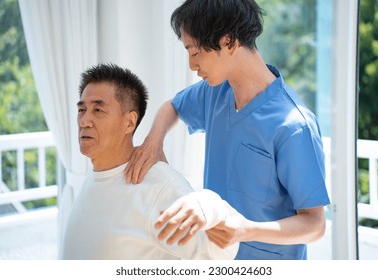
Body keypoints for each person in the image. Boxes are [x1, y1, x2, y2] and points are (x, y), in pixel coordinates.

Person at [125, 0, 331, 260]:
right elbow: (172, 107)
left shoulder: (294, 126)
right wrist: (154, 141)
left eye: (195, 52)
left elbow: (315, 225)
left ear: (229, 42)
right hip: (215, 259)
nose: (191, 65)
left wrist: (245, 230)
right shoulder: (216, 92)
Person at [60, 63, 238, 260]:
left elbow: (220, 254)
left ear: (129, 122)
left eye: (98, 110)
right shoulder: (96, 176)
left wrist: (209, 204)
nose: (84, 121)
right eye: (82, 110)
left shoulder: (160, 188)